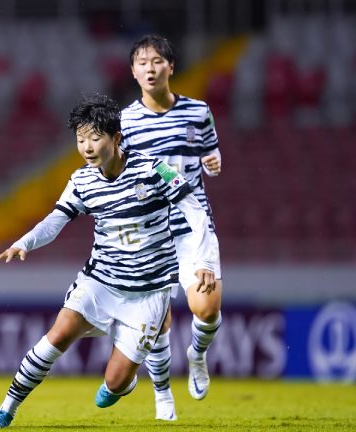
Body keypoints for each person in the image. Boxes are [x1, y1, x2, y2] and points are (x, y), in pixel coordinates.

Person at [0, 93, 216, 428]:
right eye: (80, 139)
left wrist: (203, 260)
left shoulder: (153, 169)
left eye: (94, 138)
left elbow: (194, 209)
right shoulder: (81, 180)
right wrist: (24, 243)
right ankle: (6, 409)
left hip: (148, 292)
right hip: (101, 280)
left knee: (115, 384)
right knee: (57, 335)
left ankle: (125, 382)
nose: (87, 147)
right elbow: (56, 220)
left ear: (116, 138)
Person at [120, 34, 223, 421]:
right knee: (156, 319)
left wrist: (213, 161)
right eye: (142, 62)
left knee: (207, 307)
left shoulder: (198, 112)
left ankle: (197, 354)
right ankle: (163, 396)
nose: (150, 67)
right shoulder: (125, 121)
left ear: (171, 67)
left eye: (157, 61)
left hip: (193, 224)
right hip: (150, 229)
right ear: (133, 71)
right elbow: (121, 171)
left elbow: (210, 148)